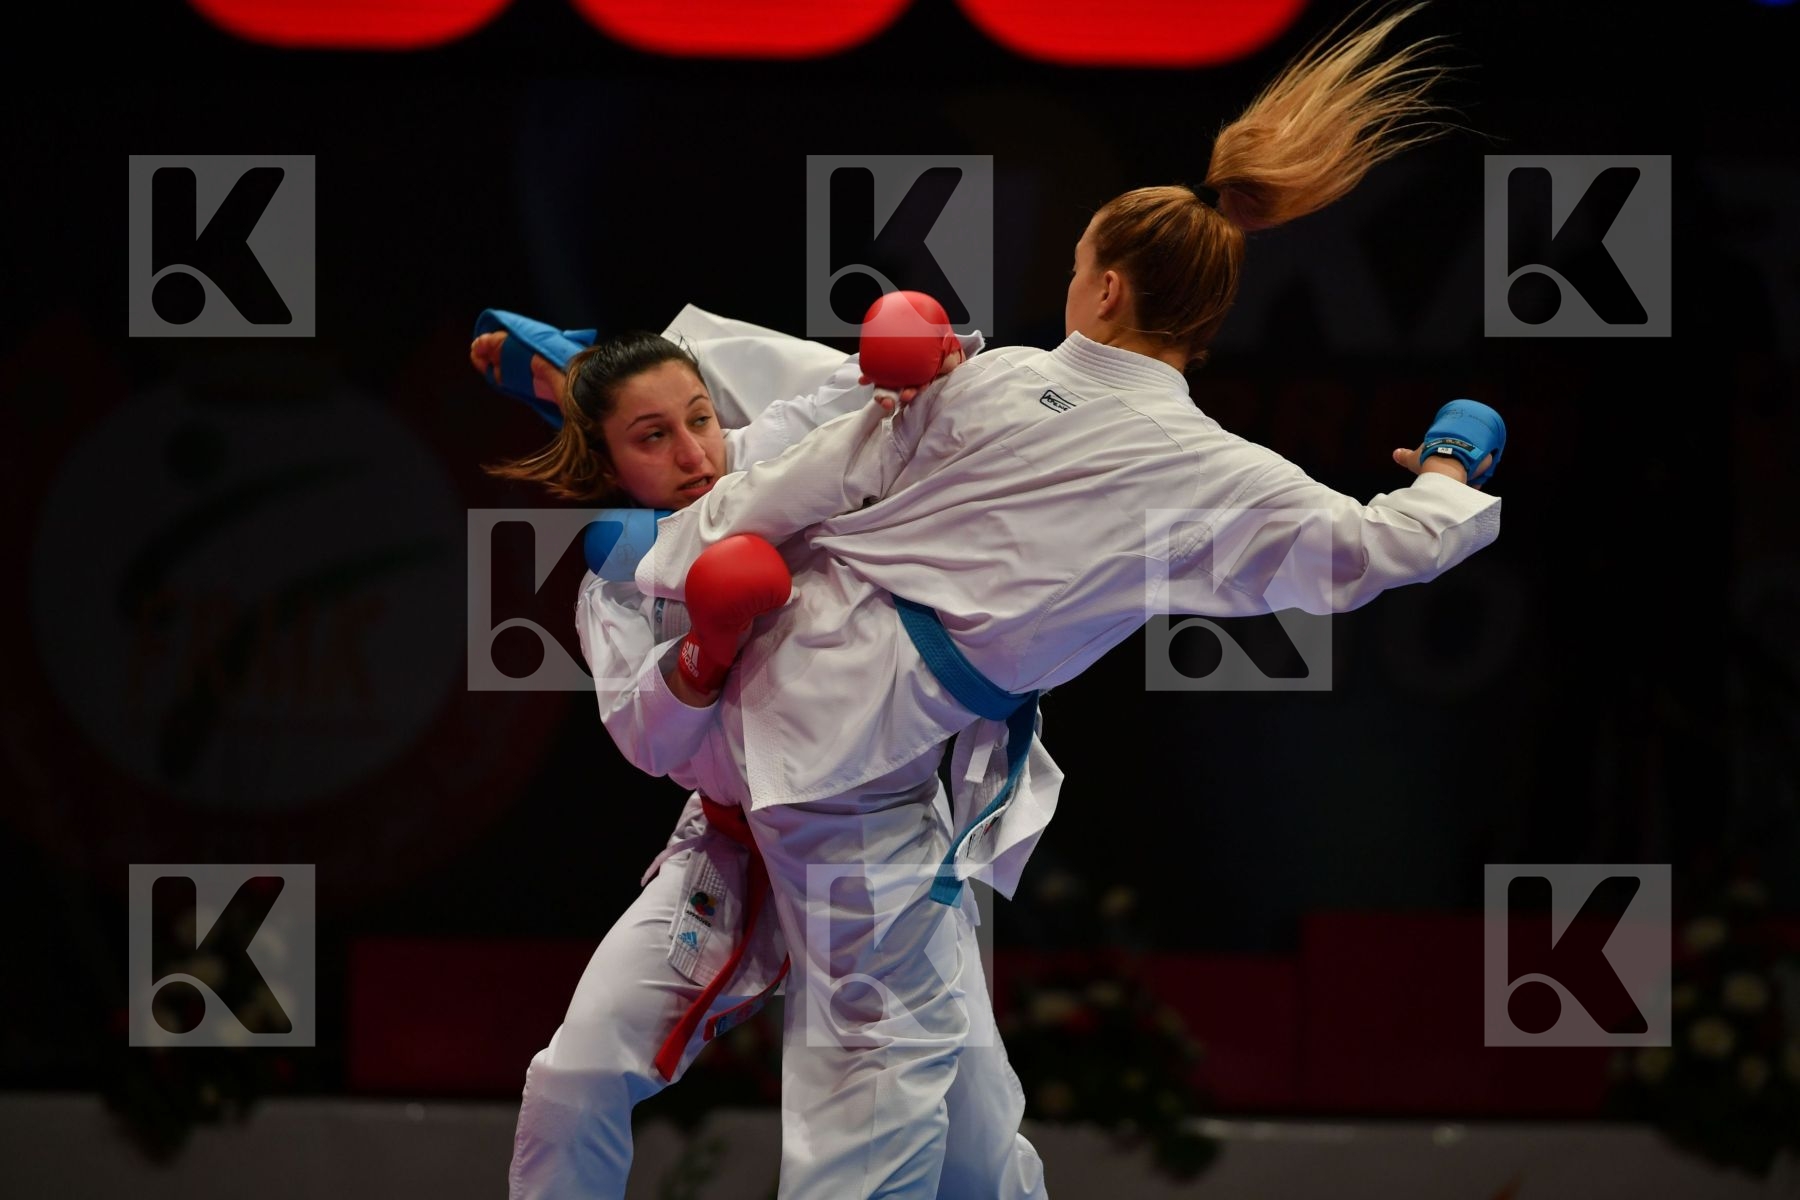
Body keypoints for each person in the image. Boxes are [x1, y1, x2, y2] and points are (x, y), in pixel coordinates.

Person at [624, 5, 1505, 1197]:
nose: (1070, 278)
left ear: (1107, 288)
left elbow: (824, 440)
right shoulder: (1210, 471)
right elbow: (1375, 548)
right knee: (881, 1065)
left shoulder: (993, 379)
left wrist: (672, 523)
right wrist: (1452, 466)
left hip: (833, 715)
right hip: (851, 751)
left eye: (1080, 262)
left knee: (969, 1101)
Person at [468, 310, 1042, 1199]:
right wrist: (705, 648)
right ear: (610, 464)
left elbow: (869, 388)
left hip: (873, 846)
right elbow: (647, 742)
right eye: (652, 438)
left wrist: (930, 347)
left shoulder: (770, 453)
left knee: (979, 1150)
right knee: (573, 1077)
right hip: (728, 852)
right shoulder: (620, 581)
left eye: (700, 418)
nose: (694, 453)